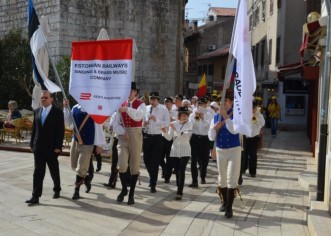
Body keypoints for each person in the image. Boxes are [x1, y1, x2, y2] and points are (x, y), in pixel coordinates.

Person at [25, 90, 65, 206]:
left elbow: (60, 131)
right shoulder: (37, 111)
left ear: (51, 99)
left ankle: (57, 188)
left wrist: (58, 146)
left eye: (46, 98)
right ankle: (35, 196)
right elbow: (34, 129)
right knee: (38, 172)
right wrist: (32, 143)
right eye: (42, 98)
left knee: (54, 170)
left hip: (52, 148)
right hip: (38, 148)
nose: (43, 100)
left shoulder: (58, 113)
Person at [63, 100, 106, 200]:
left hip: (87, 143)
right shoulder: (74, 108)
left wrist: (99, 144)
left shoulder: (93, 109)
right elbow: (67, 123)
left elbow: (98, 126)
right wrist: (65, 108)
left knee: (81, 167)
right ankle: (86, 178)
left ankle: (76, 191)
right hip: (75, 141)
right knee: (74, 166)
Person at [208, 91, 241, 218]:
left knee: (231, 178)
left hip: (234, 150)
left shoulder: (236, 115)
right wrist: (213, 128)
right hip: (221, 150)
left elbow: (234, 130)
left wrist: (226, 117)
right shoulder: (216, 117)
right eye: (222, 102)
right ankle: (224, 202)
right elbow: (211, 137)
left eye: (226, 101)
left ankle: (229, 208)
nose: (224, 104)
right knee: (222, 179)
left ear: (231, 102)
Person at [112, 82, 146, 205]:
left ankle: (131, 193)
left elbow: (138, 117)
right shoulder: (121, 104)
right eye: (127, 90)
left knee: (134, 165)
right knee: (121, 164)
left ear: (136, 92)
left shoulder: (141, 104)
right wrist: (121, 131)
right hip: (123, 135)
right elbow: (115, 123)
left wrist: (126, 109)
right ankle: (124, 189)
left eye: (131, 91)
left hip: (135, 134)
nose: (129, 93)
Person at [162, 106, 193, 200]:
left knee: (181, 170)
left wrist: (175, 129)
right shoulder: (173, 123)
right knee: (176, 170)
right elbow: (169, 138)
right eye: (183, 114)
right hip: (175, 150)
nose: (184, 116)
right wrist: (164, 132)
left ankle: (180, 191)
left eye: (186, 115)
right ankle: (178, 187)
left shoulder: (189, 124)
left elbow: (185, 136)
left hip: (185, 150)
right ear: (179, 115)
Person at [143, 92, 170, 193]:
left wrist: (156, 120)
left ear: (158, 99)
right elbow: (141, 120)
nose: (152, 101)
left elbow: (167, 123)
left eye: (154, 99)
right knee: (146, 159)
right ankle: (152, 176)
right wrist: (144, 123)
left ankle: (153, 183)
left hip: (158, 137)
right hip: (147, 136)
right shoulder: (146, 108)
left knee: (155, 161)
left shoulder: (163, 109)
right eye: (151, 99)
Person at [189, 97, 213, 187]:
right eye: (198, 104)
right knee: (193, 160)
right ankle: (194, 180)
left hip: (205, 138)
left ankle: (203, 176)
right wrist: (196, 118)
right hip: (195, 138)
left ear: (205, 105)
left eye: (201, 104)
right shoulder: (192, 114)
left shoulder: (209, 114)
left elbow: (210, 126)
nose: (199, 106)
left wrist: (203, 118)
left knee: (204, 160)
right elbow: (191, 126)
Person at [244, 101, 265, 177]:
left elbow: (262, 124)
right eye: (251, 108)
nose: (252, 109)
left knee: (253, 155)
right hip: (245, 137)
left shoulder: (259, 115)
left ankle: (252, 172)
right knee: (244, 154)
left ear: (256, 108)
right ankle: (243, 168)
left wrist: (254, 117)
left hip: (254, 137)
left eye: (254, 108)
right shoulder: (245, 114)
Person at [162, 97, 176, 183]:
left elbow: (179, 121)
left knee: (169, 158)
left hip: (171, 137)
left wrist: (171, 119)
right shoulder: (161, 111)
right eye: (165, 103)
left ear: (172, 104)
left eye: (168, 103)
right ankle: (164, 168)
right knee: (159, 156)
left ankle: (167, 176)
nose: (166, 104)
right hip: (161, 136)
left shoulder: (175, 112)